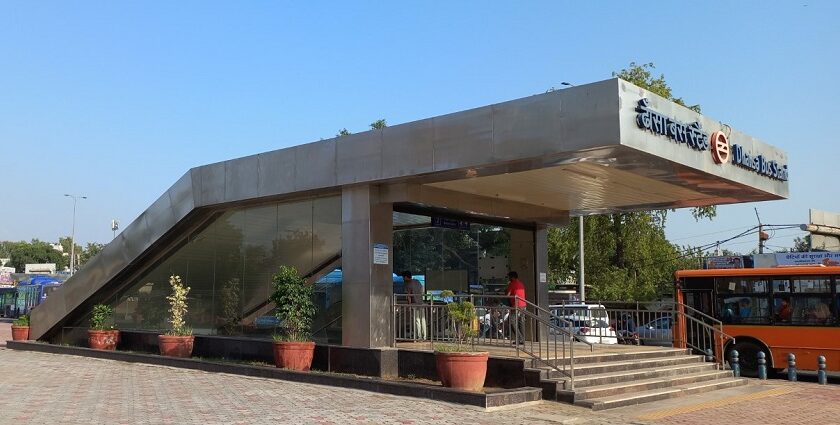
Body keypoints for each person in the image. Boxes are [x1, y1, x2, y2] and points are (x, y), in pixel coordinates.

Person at [402, 271, 427, 341]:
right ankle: (424, 336)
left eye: (403, 277)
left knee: (417, 320)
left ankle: (418, 336)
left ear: (406, 277)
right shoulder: (417, 281)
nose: (403, 279)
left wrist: (409, 306)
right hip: (421, 303)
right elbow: (422, 290)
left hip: (414, 304)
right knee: (423, 319)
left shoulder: (407, 284)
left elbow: (408, 296)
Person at [505, 271, 526, 345]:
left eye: (509, 277)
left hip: (516, 306)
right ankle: (522, 339)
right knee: (521, 322)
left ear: (512, 277)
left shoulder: (512, 284)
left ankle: (520, 338)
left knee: (511, 322)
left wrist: (506, 289)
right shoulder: (520, 283)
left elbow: (508, 295)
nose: (509, 278)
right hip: (523, 305)